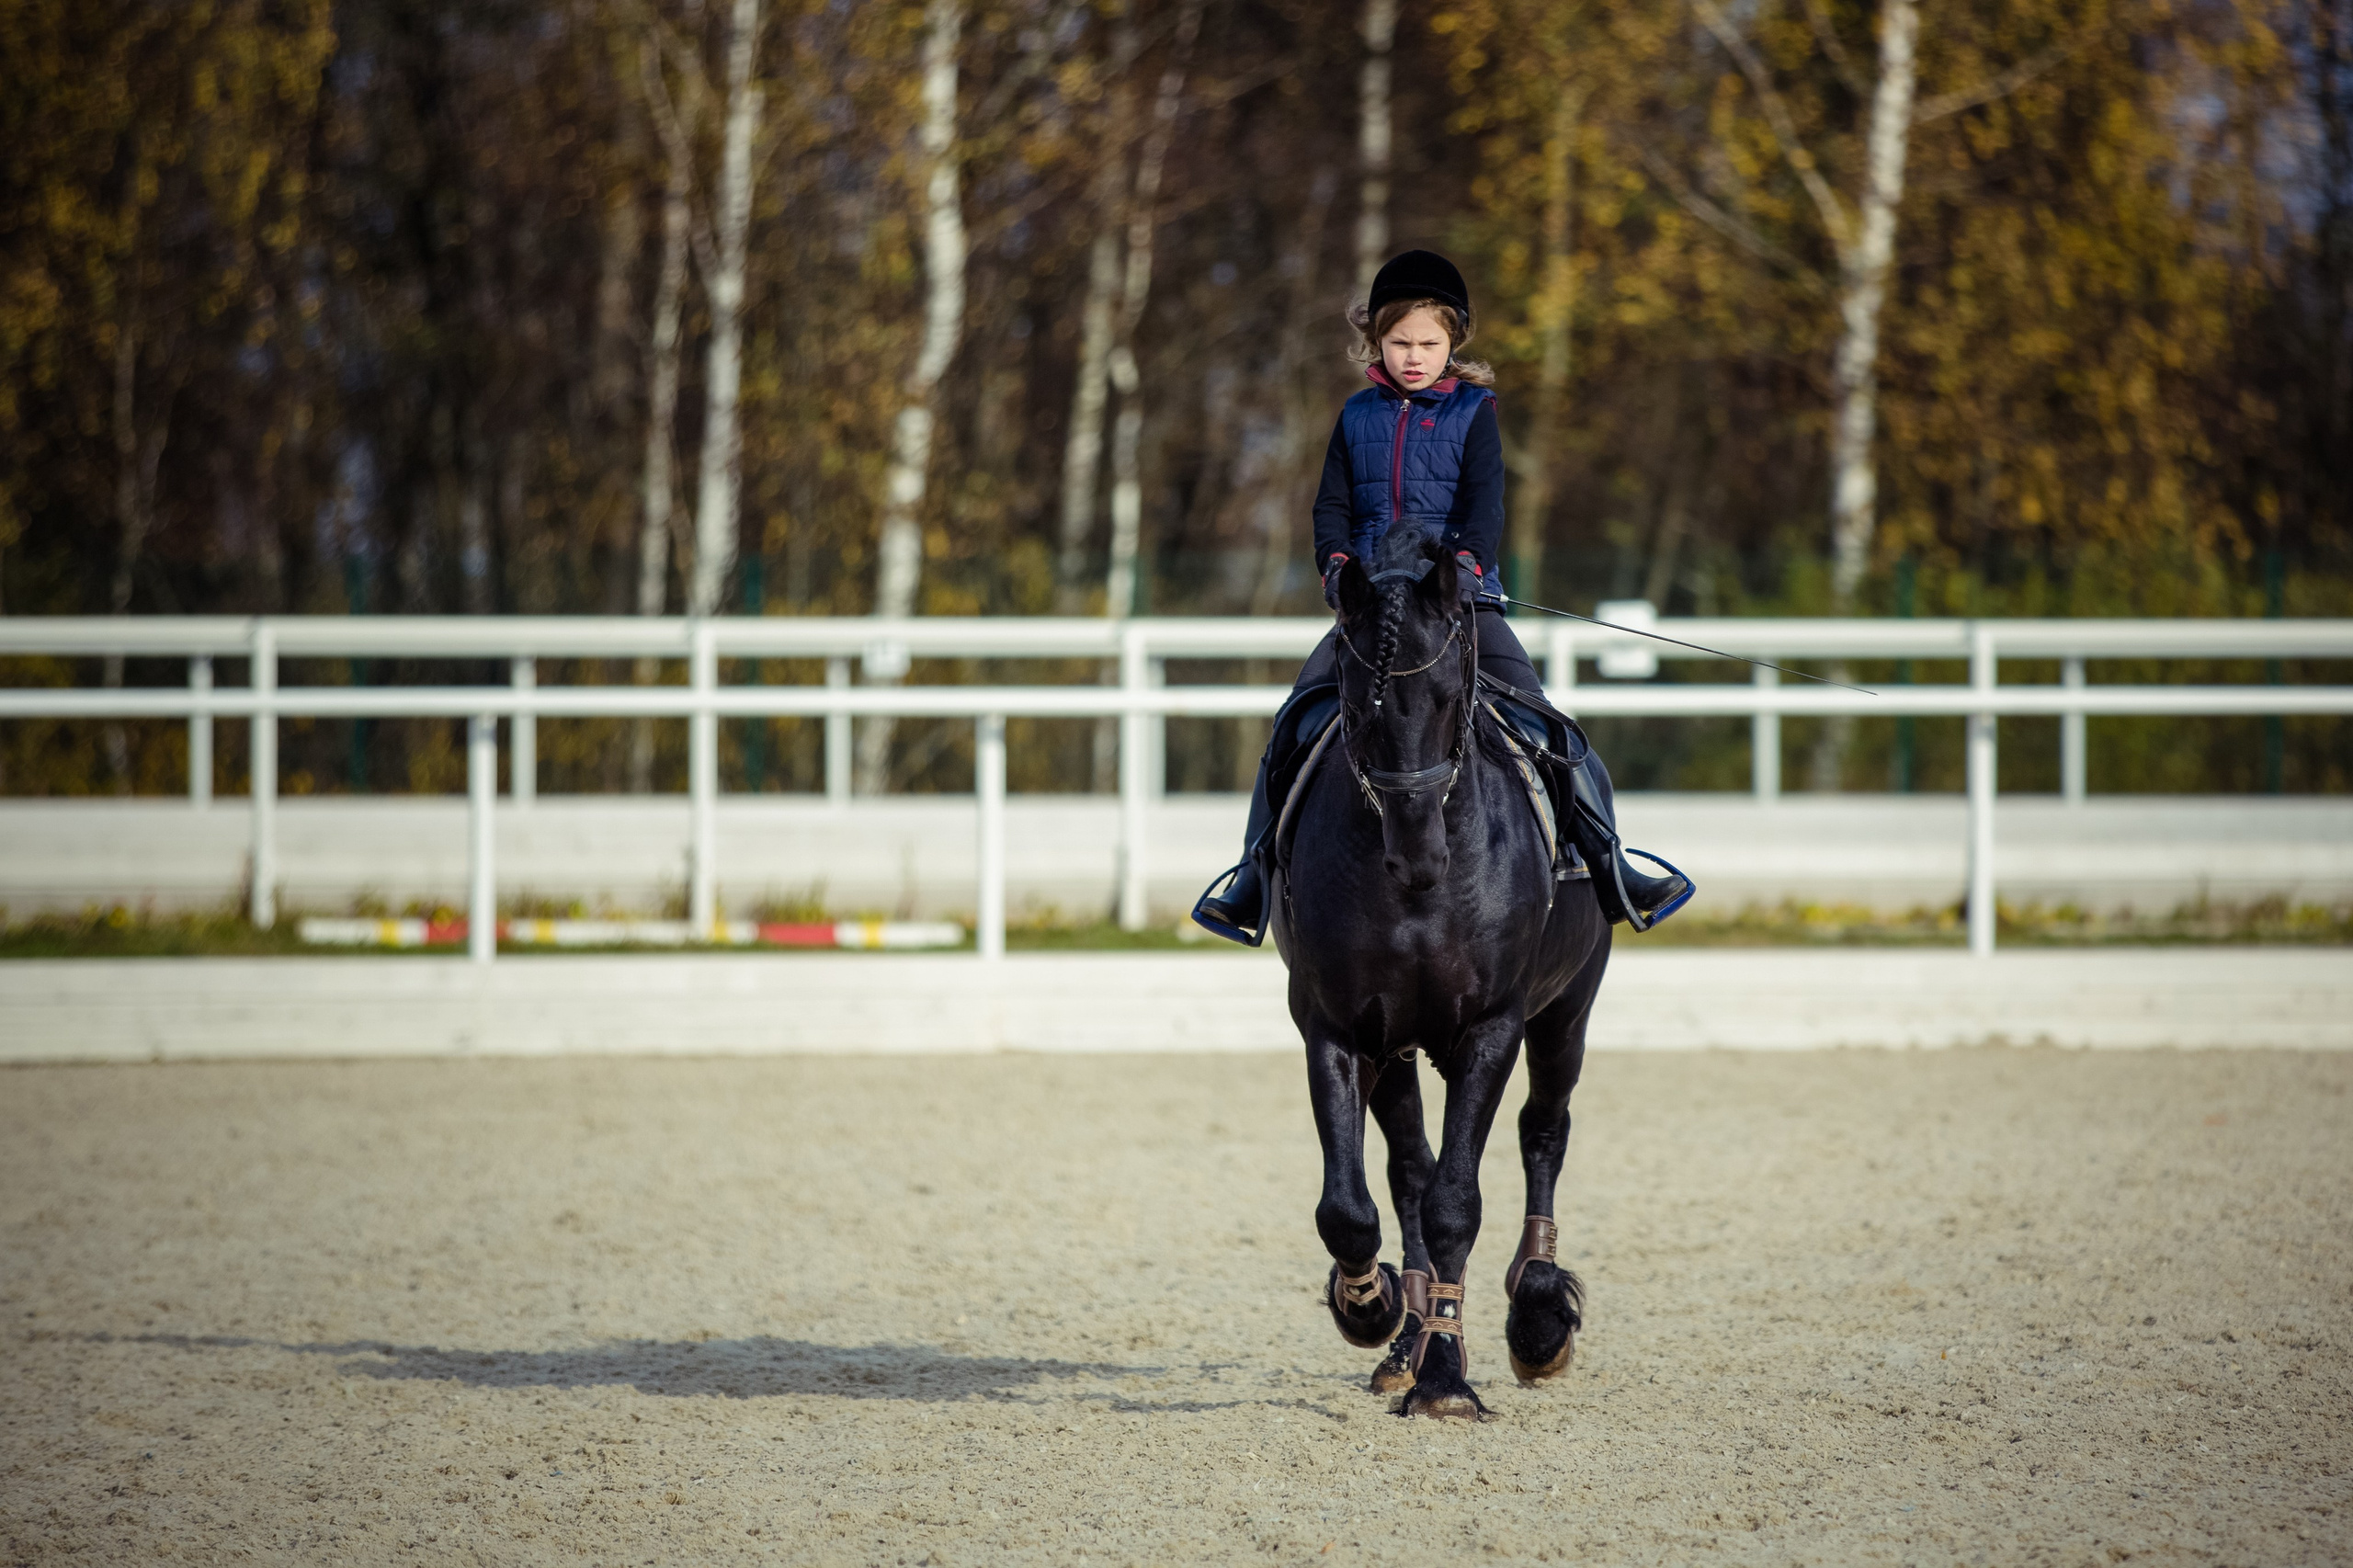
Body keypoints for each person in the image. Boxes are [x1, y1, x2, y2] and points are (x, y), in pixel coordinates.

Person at [1191, 248, 1692, 944]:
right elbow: (1329, 507)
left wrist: (1462, 567)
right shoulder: (1355, 415)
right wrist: (1337, 568)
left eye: (1429, 343)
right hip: (1369, 613)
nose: (1415, 356)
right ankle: (1250, 878)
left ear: (1454, 340)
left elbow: (1485, 504)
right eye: (1400, 343)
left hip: (1461, 605)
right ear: (1376, 341)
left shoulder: (1474, 411)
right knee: (1292, 727)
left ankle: (1612, 864)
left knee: (1552, 729)